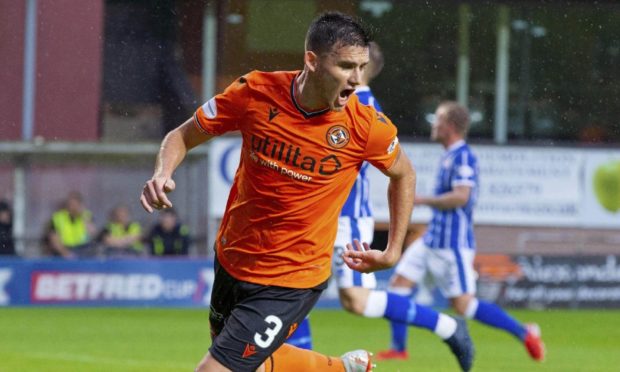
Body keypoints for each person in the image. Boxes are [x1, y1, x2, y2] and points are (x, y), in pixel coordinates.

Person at [141, 11, 417, 372]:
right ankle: (342, 368)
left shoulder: (365, 126)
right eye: (346, 66)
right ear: (312, 60)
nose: (356, 80)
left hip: (294, 277)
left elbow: (404, 175)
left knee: (215, 369)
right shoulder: (255, 92)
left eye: (361, 67)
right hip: (233, 258)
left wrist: (394, 250)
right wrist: (163, 172)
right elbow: (182, 134)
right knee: (246, 360)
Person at [288, 42, 475, 372]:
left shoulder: (359, 106)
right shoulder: (341, 100)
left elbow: (397, 172)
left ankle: (448, 327)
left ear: (359, 68)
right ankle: (447, 327)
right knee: (293, 290)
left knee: (353, 301)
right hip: (319, 216)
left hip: (345, 218)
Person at [375, 101, 546, 362]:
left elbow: (461, 196)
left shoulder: (464, 156)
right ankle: (399, 348)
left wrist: (422, 200)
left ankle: (525, 332)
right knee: (398, 285)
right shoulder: (448, 155)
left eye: (438, 119)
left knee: (464, 306)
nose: (434, 123)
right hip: (432, 240)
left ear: (451, 126)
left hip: (452, 246)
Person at [44, 191, 96, 258]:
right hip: (65, 250)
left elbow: (93, 233)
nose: (73, 207)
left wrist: (84, 217)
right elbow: (54, 239)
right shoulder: (58, 218)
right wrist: (66, 254)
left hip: (84, 249)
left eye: (76, 204)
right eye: (71, 204)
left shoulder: (86, 216)